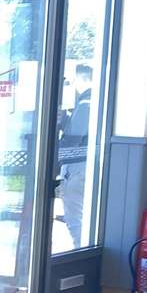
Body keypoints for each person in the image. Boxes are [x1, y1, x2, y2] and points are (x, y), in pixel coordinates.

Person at [57, 65, 93, 247]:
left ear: (80, 79)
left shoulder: (86, 103)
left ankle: (79, 248)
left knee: (74, 216)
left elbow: (73, 137)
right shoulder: (97, 100)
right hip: (86, 165)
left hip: (77, 167)